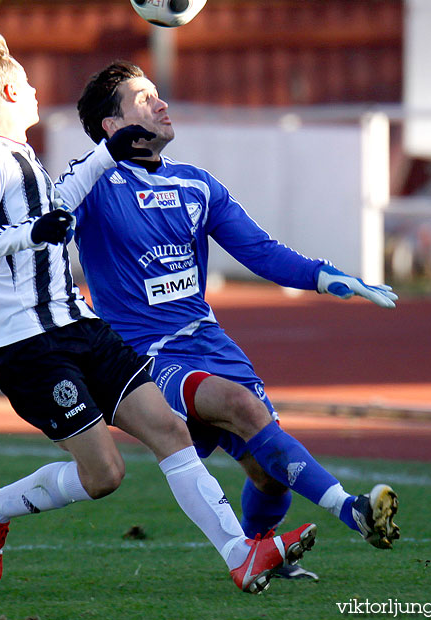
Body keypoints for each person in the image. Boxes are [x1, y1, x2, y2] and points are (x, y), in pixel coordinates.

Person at [0, 31, 317, 594]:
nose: (35, 89)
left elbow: (59, 203)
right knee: (105, 475)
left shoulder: (24, 155)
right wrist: (31, 231)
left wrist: (106, 154)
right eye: (24, 81)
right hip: (28, 343)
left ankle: (241, 555)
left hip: (76, 321)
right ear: (3, 90)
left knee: (168, 427)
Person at [61, 61, 400, 579]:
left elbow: (260, 251)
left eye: (158, 95)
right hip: (148, 355)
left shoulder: (195, 184)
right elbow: (47, 230)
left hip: (210, 343)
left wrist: (332, 279)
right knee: (241, 405)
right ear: (112, 126)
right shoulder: (92, 186)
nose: (162, 104)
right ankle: (350, 510)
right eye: (144, 98)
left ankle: (265, 550)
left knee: (270, 477)